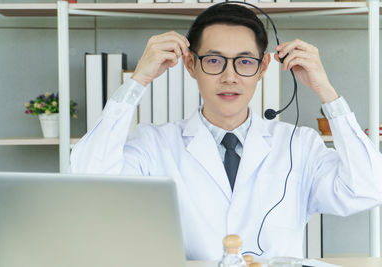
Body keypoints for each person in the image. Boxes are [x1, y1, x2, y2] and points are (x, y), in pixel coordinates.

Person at [70, 3, 382, 260]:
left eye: (245, 62)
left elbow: (367, 189)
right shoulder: (155, 144)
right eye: (214, 60)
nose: (230, 76)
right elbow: (87, 176)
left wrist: (325, 90)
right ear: (191, 66)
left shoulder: (298, 144)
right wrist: (137, 81)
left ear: (262, 69)